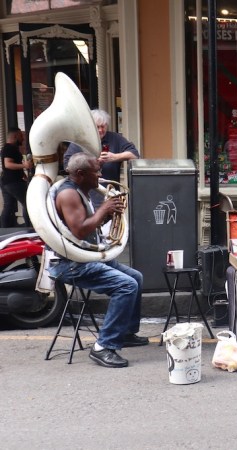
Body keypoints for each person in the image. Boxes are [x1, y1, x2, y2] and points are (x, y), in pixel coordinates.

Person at [48, 153, 147, 368]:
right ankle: (103, 347)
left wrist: (106, 215)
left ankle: (125, 333)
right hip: (70, 264)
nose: (100, 175)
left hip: (85, 256)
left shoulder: (81, 191)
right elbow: (80, 230)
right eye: (96, 171)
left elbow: (86, 226)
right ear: (81, 174)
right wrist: (104, 208)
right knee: (126, 286)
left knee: (136, 278)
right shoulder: (68, 194)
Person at [63, 109, 139, 209]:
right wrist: (91, 163)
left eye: (103, 126)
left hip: (110, 195)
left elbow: (135, 155)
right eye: (97, 127)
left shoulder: (115, 138)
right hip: (85, 196)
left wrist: (114, 157)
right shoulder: (80, 141)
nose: (100, 130)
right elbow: (67, 166)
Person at [1, 127, 32, 227]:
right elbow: (8, 164)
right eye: (21, 136)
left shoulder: (11, 148)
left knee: (8, 206)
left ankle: (4, 229)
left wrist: (24, 175)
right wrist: (24, 165)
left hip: (7, 182)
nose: (23, 138)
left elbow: (13, 164)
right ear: (15, 136)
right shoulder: (9, 148)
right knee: (28, 203)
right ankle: (29, 227)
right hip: (14, 182)